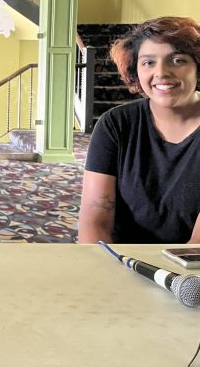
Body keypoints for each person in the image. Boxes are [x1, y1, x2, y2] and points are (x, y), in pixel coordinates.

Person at [78, 16, 200, 244]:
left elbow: (197, 246)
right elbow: (95, 220)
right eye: (148, 62)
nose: (161, 72)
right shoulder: (115, 124)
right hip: (120, 259)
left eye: (177, 60)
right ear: (135, 71)